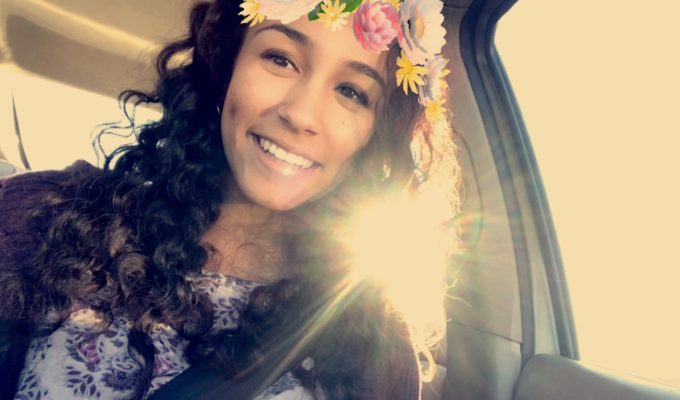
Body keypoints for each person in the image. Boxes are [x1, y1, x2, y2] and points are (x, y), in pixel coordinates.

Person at [0, 0, 459, 399]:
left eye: (350, 92)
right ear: (227, 68)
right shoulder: (41, 216)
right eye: (280, 59)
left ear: (375, 136)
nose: (301, 114)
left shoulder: (378, 354)